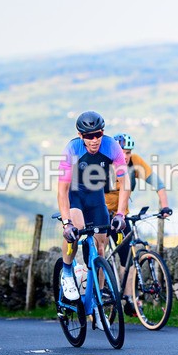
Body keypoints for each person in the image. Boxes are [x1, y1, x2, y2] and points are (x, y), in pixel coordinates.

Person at [56, 112, 130, 322]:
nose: (94, 139)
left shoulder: (112, 147)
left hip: (96, 196)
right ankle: (68, 272)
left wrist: (121, 214)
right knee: (76, 231)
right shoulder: (72, 149)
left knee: (100, 249)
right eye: (89, 136)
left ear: (103, 132)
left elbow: (124, 183)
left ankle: (97, 302)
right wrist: (66, 222)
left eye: (97, 134)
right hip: (75, 196)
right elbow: (62, 191)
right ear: (80, 135)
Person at [106, 133, 172, 315]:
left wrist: (165, 206)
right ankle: (100, 295)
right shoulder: (104, 164)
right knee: (102, 250)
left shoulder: (134, 162)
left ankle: (127, 298)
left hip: (121, 215)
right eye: (122, 152)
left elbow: (158, 184)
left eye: (128, 152)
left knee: (129, 253)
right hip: (101, 212)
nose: (125, 156)